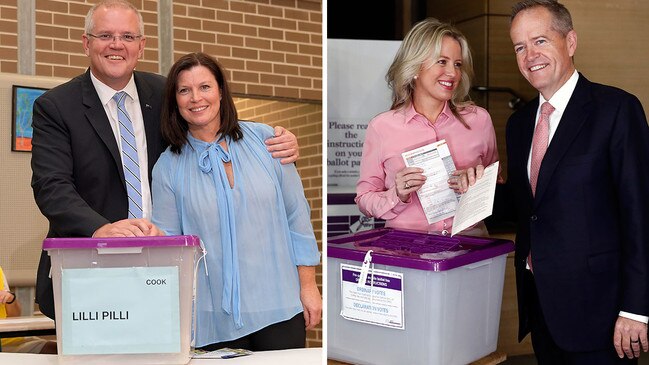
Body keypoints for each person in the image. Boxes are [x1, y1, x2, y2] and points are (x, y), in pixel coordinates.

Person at [30, 0, 299, 321]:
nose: (117, 45)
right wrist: (101, 229)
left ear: (141, 46)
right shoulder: (56, 106)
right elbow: (51, 186)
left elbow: (211, 128)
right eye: (105, 35)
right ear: (86, 43)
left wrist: (272, 135)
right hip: (89, 269)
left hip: (166, 267)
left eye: (128, 37)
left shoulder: (164, 93)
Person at [503, 1, 649, 363]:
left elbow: (640, 215)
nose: (529, 55)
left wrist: (636, 309)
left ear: (570, 42)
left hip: (602, 312)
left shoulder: (616, 110)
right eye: (519, 46)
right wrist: (474, 188)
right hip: (542, 308)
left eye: (540, 41)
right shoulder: (519, 125)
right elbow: (529, 208)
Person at [151, 52, 321, 351]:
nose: (195, 98)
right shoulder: (168, 166)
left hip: (280, 306)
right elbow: (168, 246)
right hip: (209, 317)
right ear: (175, 101)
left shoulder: (268, 140)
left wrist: (308, 286)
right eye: (184, 90)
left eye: (204, 87)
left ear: (220, 91)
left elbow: (297, 218)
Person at [355, 18, 499, 236]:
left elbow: (496, 182)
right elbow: (364, 199)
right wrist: (397, 194)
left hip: (468, 247)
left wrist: (477, 183)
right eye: (442, 61)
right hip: (407, 252)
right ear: (415, 67)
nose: (453, 73)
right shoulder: (382, 127)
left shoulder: (479, 120)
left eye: (458, 64)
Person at [0, 266, 57, 354]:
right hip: (4, 344)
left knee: (56, 350)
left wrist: (10, 299)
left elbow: (14, 316)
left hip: (11, 338)